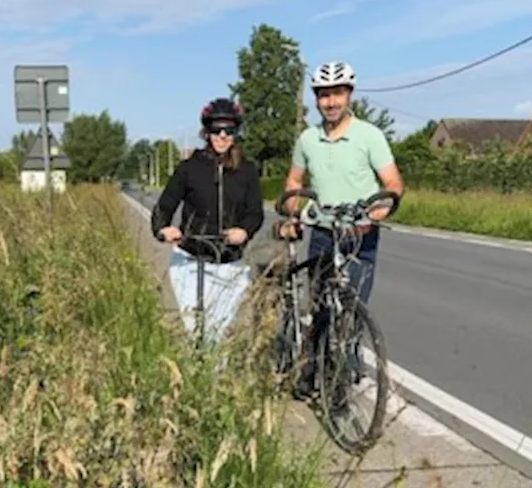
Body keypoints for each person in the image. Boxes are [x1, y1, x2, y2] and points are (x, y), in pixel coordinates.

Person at [275, 60, 405, 399]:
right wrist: (295, 210)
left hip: (359, 234)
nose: (330, 103)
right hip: (322, 232)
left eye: (337, 94)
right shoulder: (307, 139)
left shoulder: (369, 136)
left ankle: (342, 373)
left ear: (349, 95)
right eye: (323, 96)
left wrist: (379, 209)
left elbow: (393, 183)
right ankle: (310, 367)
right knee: (319, 306)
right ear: (316, 99)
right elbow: (293, 182)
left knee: (351, 308)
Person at [150, 97, 265, 345]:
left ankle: (213, 380)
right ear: (206, 132)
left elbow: (255, 212)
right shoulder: (189, 168)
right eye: (216, 130)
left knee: (219, 334)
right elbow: (165, 206)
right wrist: (163, 229)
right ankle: (196, 377)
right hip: (190, 261)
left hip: (229, 263)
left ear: (236, 132)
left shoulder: (247, 170)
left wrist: (244, 231)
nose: (222, 136)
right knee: (195, 331)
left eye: (229, 130)